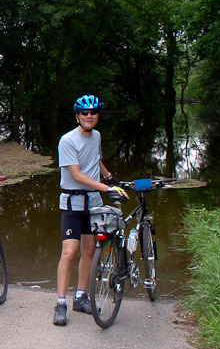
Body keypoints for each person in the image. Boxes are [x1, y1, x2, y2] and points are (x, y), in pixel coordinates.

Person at [53, 94, 127, 326]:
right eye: (84, 113)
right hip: (73, 204)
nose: (89, 116)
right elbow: (76, 175)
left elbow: (95, 160)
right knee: (69, 252)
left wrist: (111, 177)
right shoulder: (67, 141)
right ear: (77, 116)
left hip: (92, 203)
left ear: (97, 116)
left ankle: (81, 296)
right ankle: (61, 303)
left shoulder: (96, 136)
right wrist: (108, 188)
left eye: (93, 112)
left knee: (88, 250)